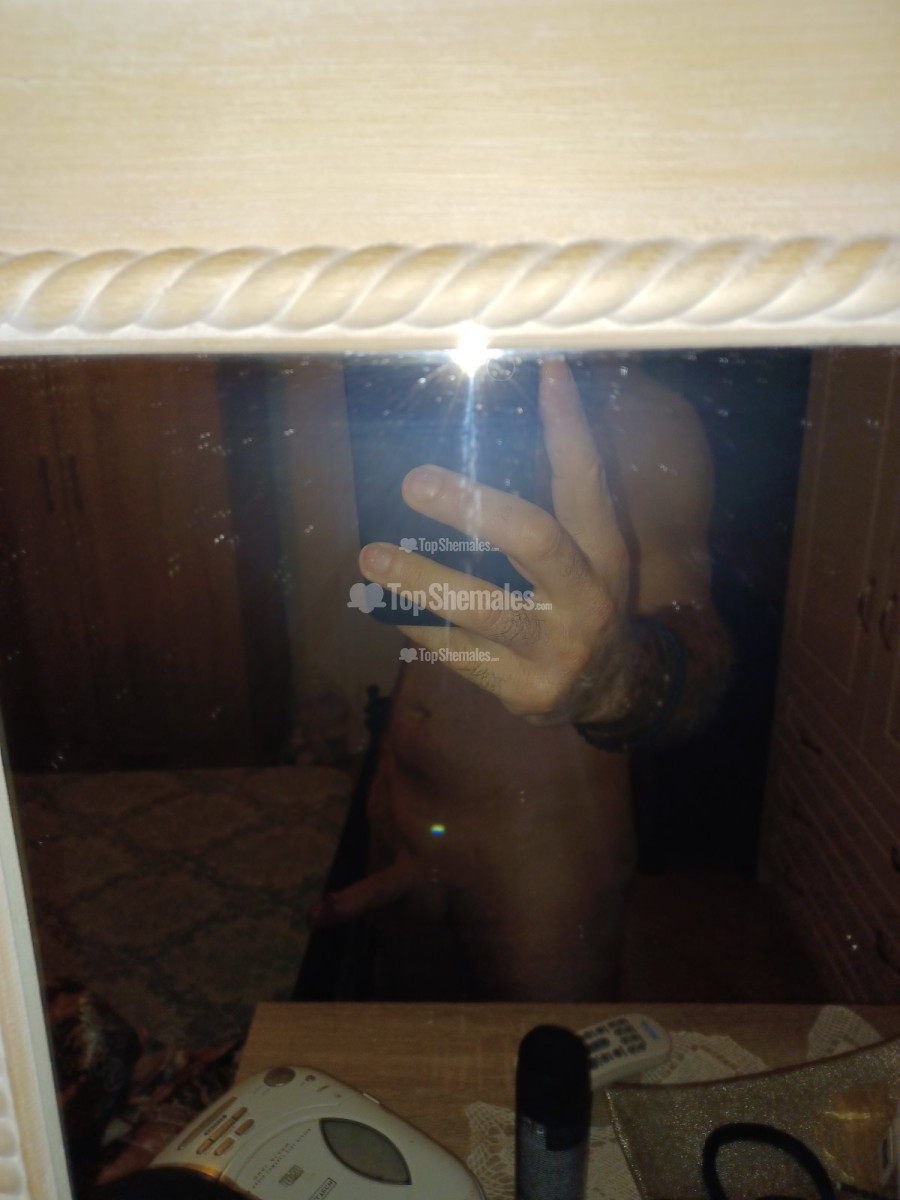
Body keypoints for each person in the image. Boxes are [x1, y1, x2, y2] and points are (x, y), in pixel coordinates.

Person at [309, 356, 732, 1000]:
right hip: (403, 816)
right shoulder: (441, 395)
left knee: (544, 1056)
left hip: (542, 855)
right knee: (416, 1051)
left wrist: (614, 680)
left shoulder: (636, 413)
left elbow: (701, 652)